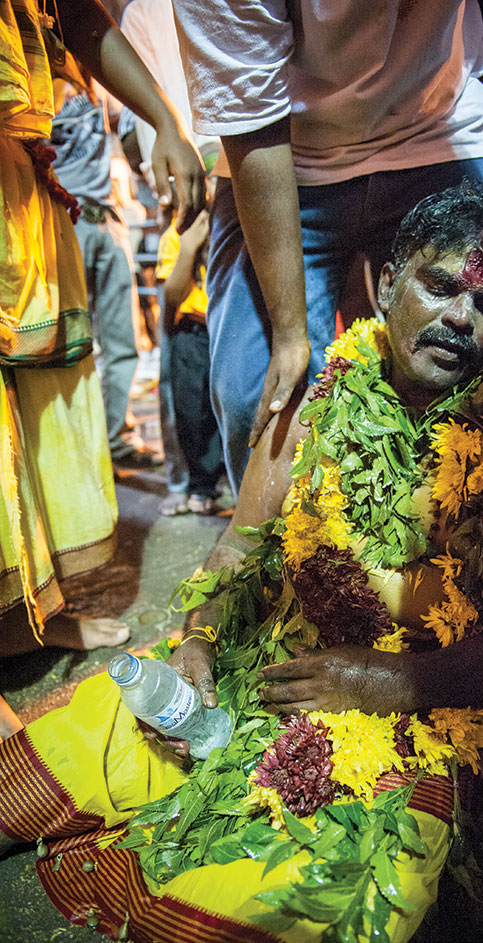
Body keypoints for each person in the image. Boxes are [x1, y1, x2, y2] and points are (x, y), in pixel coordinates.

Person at [0, 186, 483, 943]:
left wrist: (401, 679)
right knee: (87, 744)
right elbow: (234, 551)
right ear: (385, 284)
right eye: (440, 285)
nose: (460, 317)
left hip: (419, 723)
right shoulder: (311, 404)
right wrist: (204, 642)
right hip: (265, 670)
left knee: (321, 898)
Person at [171, 0, 483, 490]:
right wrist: (291, 334)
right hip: (284, 153)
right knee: (257, 396)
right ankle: (302, 555)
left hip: (439, 128)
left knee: (482, 384)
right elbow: (250, 120)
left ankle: (446, 548)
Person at [0, 0, 205, 739]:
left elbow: (83, 23)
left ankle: (22, 621)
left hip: (21, 176)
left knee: (35, 394)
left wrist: (165, 124)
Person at [48, 79, 161, 468]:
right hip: (63, 216)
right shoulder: (40, 75)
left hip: (108, 218)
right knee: (71, 337)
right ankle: (77, 444)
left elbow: (128, 132)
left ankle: (116, 436)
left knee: (121, 337)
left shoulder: (97, 86)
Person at [155, 204, 226, 514]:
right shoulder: (176, 233)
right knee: (191, 411)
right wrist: (189, 246)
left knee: (225, 407)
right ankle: (199, 484)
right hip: (193, 328)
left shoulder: (230, 225)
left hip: (227, 326)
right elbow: (172, 294)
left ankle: (221, 481)